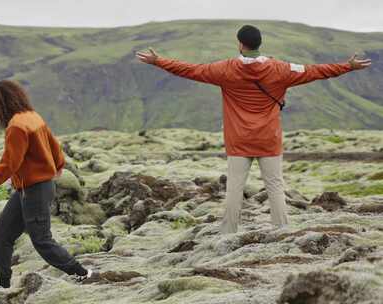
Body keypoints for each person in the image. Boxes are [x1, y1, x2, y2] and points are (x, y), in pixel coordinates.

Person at [137, 25, 371, 234]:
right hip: (269, 139)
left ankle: (228, 232)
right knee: (275, 187)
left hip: (238, 141)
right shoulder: (281, 69)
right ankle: (282, 230)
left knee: (234, 189)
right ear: (260, 44)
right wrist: (347, 66)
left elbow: (191, 70)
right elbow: (315, 71)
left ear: (240, 44)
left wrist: (159, 61)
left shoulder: (224, 69)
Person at [0, 80, 99, 290]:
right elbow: (53, 144)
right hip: (31, 188)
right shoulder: (32, 117)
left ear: (4, 102)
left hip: (35, 190)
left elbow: (10, 163)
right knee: (3, 235)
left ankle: (82, 273)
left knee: (42, 239)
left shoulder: (16, 126)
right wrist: (58, 165)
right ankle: (3, 284)